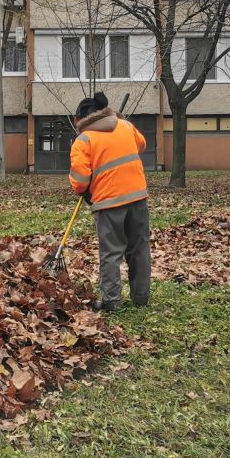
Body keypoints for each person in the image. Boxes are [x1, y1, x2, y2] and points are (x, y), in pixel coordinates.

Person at [68, 92, 151, 311]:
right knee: (139, 248)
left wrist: (84, 188)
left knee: (111, 253)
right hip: (137, 197)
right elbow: (141, 145)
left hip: (108, 203)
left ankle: (111, 300)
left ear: (81, 119)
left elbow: (79, 181)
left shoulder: (83, 140)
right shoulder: (125, 126)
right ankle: (141, 297)